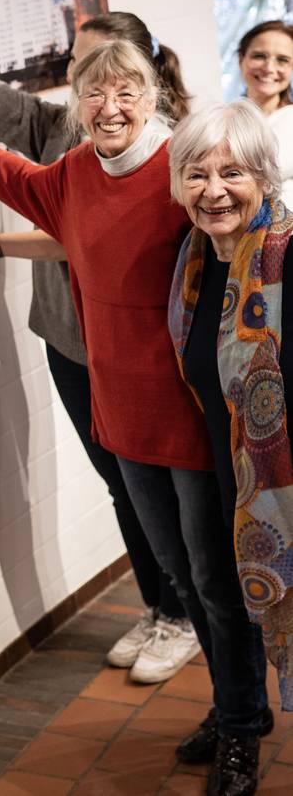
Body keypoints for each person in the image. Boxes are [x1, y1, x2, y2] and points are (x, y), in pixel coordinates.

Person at [0, 40, 271, 796]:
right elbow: (24, 182)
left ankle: (243, 725)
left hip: (191, 417)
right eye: (94, 93)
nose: (111, 108)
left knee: (216, 582)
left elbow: (245, 221)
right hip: (122, 415)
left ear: (153, 97)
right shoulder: (77, 171)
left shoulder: (180, 170)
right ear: (76, 102)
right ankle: (232, 703)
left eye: (127, 92)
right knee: (181, 577)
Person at [0, 0, 197, 681]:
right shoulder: (65, 140)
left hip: (139, 353)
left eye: (107, 74)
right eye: (82, 75)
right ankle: (161, 607)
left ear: (141, 81)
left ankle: (188, 615)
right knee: (123, 485)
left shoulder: (168, 158)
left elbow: (84, 236)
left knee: (171, 497)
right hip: (73, 343)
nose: (98, 94)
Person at [168, 101, 292, 793]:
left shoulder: (285, 256)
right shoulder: (194, 260)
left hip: (286, 486)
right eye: (197, 174)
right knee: (231, 601)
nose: (213, 190)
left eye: (232, 173)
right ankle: (242, 722)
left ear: (264, 178)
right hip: (235, 477)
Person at [236, 21, 293, 204]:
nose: (269, 68)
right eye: (259, 56)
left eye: (282, 60)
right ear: (241, 60)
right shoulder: (222, 121)